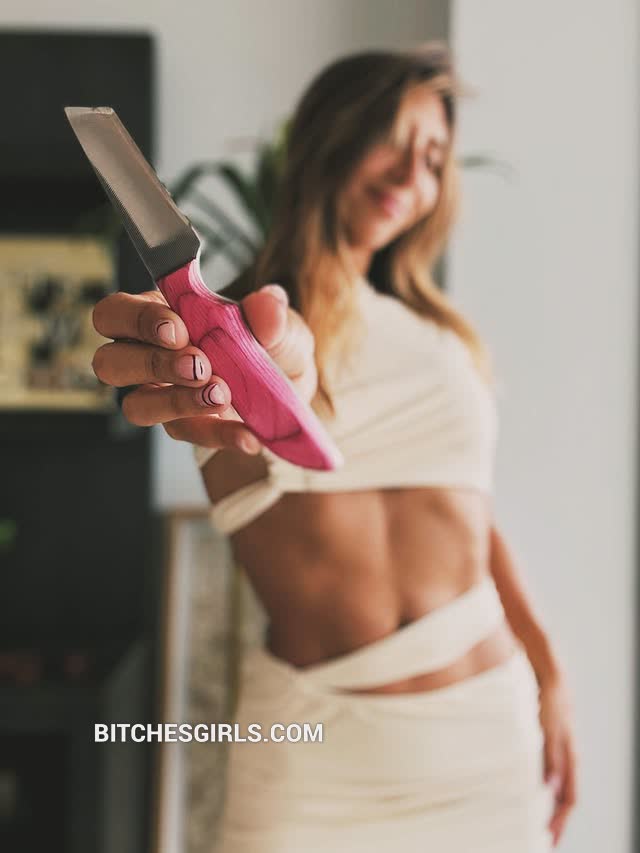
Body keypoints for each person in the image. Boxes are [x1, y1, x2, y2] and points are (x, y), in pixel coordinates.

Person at [91, 42, 577, 852]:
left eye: (433, 159)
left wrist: (550, 674)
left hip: (486, 739)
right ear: (334, 134)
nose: (410, 174)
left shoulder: (443, 339)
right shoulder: (239, 332)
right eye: (394, 138)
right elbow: (291, 357)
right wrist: (265, 368)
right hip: (313, 759)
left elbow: (471, 516)